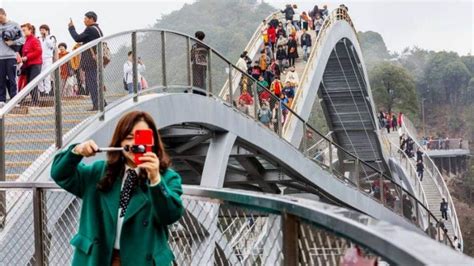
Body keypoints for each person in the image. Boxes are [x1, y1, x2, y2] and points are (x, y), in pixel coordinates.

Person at [51, 111, 184, 266]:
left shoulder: (167, 178)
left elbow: (171, 215)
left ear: (152, 141)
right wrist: (76, 151)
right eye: (128, 138)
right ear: (120, 143)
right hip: (100, 258)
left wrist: (155, 179)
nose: (135, 144)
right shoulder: (99, 172)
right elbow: (60, 174)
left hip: (142, 260)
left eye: (141, 137)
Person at [68, 11, 104, 111]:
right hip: (95, 60)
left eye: (85, 18)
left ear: (91, 19)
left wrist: (71, 28)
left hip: (90, 61)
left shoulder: (90, 29)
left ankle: (97, 104)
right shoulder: (97, 29)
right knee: (94, 82)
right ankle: (102, 102)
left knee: (91, 82)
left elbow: (77, 38)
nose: (84, 20)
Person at [0, 8, 24, 108]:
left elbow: (22, 39)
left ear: (3, 14)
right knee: (0, 79)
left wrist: (12, 42)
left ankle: (14, 100)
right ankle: (1, 100)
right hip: (0, 57)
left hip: (11, 56)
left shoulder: (14, 25)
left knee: (12, 79)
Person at [20, 23, 42, 106]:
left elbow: (39, 51)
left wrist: (27, 57)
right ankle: (33, 101)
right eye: (22, 31)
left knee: (32, 82)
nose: (23, 32)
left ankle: (35, 102)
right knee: (28, 83)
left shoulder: (34, 39)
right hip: (28, 65)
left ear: (30, 30)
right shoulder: (27, 40)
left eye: (24, 30)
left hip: (35, 64)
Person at [38, 24, 56, 96]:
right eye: (41, 30)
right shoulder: (38, 38)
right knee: (39, 75)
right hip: (40, 59)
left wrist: (46, 37)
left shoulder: (51, 38)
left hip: (48, 58)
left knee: (47, 76)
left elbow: (51, 46)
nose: (42, 31)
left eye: (43, 30)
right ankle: (41, 90)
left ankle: (47, 91)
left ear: (47, 30)